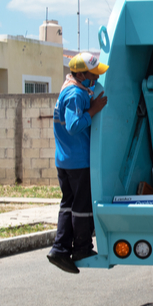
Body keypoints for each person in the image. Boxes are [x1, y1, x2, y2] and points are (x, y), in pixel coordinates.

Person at [47, 52, 109, 274]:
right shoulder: (75, 94)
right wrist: (94, 109)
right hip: (78, 161)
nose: (96, 80)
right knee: (82, 206)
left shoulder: (69, 88)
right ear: (81, 74)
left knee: (68, 205)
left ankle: (60, 249)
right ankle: (81, 248)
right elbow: (73, 126)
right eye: (93, 75)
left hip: (64, 160)